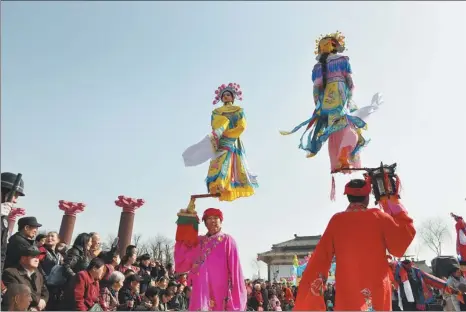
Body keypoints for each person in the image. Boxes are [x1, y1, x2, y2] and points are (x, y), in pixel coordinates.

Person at [293, 177, 416, 311]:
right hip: (376, 292)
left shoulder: (337, 221)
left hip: (347, 292)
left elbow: (320, 258)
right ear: (367, 197)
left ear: (348, 197)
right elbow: (400, 244)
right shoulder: (379, 217)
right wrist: (393, 203)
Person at [279, 31, 382, 173]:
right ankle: (345, 156)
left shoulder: (319, 67)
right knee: (347, 126)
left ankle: (339, 160)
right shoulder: (341, 61)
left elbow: (316, 88)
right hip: (340, 98)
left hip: (328, 103)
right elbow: (351, 84)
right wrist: (349, 98)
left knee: (335, 130)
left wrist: (318, 105)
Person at [182, 82, 258, 201]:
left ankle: (224, 183)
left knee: (228, 160)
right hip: (220, 138)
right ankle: (217, 183)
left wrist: (230, 133)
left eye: (228, 94)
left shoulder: (238, 110)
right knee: (217, 160)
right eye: (223, 95)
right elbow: (214, 124)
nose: (225, 97)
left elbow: (242, 125)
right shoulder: (217, 111)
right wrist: (221, 127)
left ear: (233, 97)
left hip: (232, 138)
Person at [174, 208, 247, 310]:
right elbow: (183, 252)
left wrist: (234, 301)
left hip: (221, 292)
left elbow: (236, 273)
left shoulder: (228, 241)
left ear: (221, 221)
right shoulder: (198, 241)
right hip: (200, 291)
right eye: (209, 218)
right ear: (205, 223)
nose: (212, 221)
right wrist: (187, 221)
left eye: (216, 218)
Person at [2, 245, 49, 311]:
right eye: (33, 256)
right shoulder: (10, 272)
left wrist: (43, 300)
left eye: (38, 257)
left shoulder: (38, 273)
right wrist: (38, 302)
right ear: (23, 258)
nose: (37, 260)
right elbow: (20, 294)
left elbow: (45, 291)